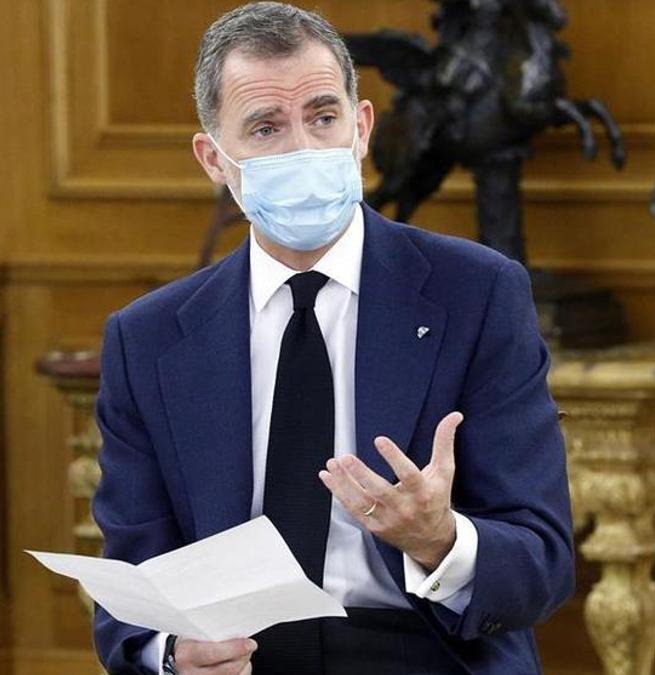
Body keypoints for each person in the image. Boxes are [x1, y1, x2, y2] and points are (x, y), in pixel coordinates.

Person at [91, 3, 574, 673]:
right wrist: (172, 653)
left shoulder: (479, 296)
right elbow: (130, 582)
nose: (304, 149)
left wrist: (441, 540)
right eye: (265, 127)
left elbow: (543, 561)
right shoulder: (146, 340)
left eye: (323, 117)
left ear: (362, 128)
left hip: (427, 653)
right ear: (213, 159)